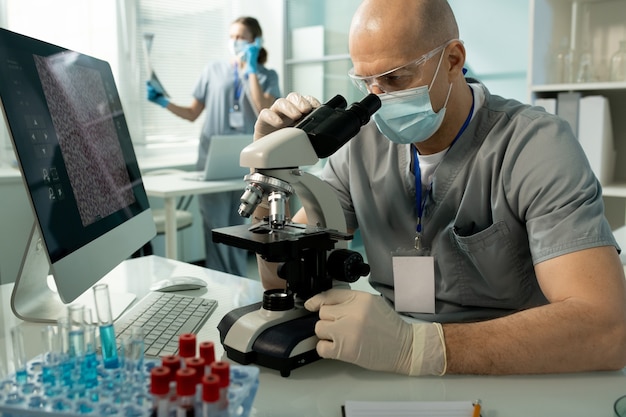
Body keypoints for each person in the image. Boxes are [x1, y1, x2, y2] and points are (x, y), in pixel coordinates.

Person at [253, 0, 626, 376]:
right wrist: (273, 175)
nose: (377, 99)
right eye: (366, 82)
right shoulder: (359, 149)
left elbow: (607, 327)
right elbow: (283, 276)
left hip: (516, 369)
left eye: (396, 79)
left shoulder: (535, 145)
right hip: (388, 361)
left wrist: (416, 347)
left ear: (453, 59)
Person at [146, 16, 281, 276]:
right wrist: (163, 102)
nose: (235, 41)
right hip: (211, 160)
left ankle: (239, 283)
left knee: (243, 229)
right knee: (216, 227)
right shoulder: (213, 70)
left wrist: (251, 68)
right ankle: (223, 282)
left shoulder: (266, 75)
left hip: (247, 162)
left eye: (242, 36)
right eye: (232, 36)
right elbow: (192, 113)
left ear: (256, 41)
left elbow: (262, 108)